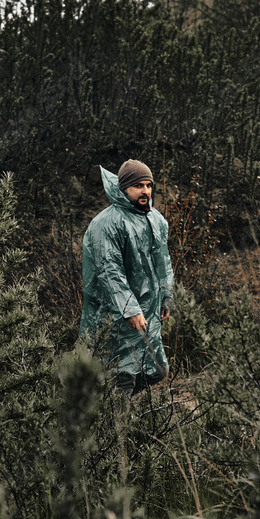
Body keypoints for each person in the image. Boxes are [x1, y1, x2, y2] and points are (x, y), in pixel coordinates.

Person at [80, 159, 174, 395]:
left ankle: (111, 408)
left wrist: (166, 297)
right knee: (122, 376)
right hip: (115, 317)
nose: (145, 191)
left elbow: (163, 262)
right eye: (138, 186)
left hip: (149, 313)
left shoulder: (155, 220)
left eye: (149, 185)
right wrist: (129, 309)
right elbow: (108, 270)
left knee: (158, 370)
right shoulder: (107, 223)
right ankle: (117, 424)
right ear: (123, 188)